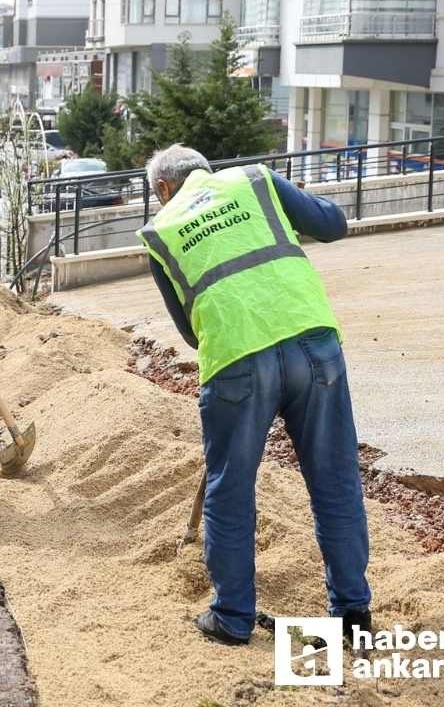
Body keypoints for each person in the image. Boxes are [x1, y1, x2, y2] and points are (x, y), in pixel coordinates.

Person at [136, 144, 371, 646]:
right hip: (314, 341)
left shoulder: (159, 232)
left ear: (162, 189)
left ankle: (233, 618)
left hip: (238, 361)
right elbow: (333, 224)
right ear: (208, 172)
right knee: (334, 479)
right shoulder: (255, 180)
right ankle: (352, 614)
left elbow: (190, 333)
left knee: (232, 487)